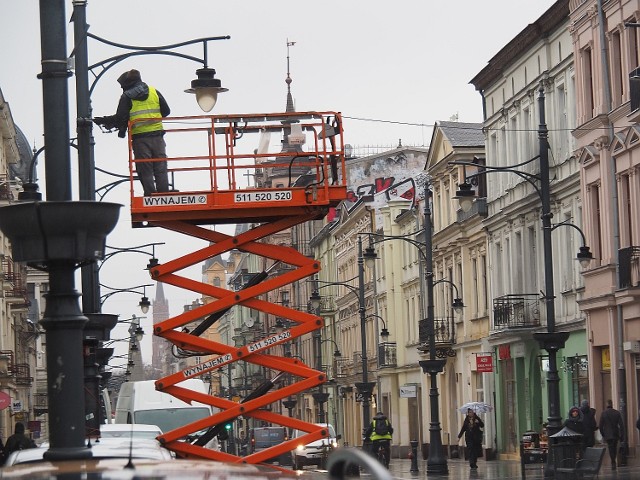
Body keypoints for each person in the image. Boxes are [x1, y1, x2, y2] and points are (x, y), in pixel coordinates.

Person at [93, 69, 171, 196]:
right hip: (158, 136)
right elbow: (166, 111)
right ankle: (164, 195)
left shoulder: (126, 97)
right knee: (160, 167)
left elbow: (120, 118)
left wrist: (104, 121)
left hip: (140, 138)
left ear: (127, 84)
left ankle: (150, 196)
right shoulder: (153, 91)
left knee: (144, 168)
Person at [598, 399, 624, 470]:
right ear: (612, 404)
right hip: (615, 433)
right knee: (614, 447)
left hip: (608, 434)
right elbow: (621, 425)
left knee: (610, 448)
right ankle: (613, 461)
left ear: (607, 404)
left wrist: (603, 434)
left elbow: (600, 426)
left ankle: (613, 461)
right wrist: (622, 435)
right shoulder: (617, 413)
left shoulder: (603, 413)